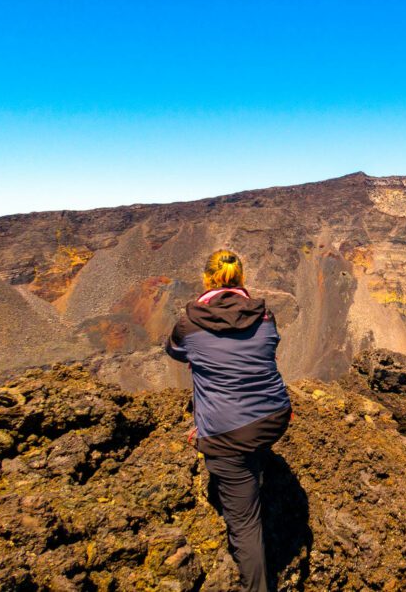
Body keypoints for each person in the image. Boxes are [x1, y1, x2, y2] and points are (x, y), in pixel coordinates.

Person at [165, 249, 292, 592]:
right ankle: (255, 467)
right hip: (275, 416)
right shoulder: (265, 315)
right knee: (248, 449)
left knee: (246, 526)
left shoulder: (189, 324)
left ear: (206, 280)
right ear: (241, 279)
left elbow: (174, 351)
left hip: (227, 434)